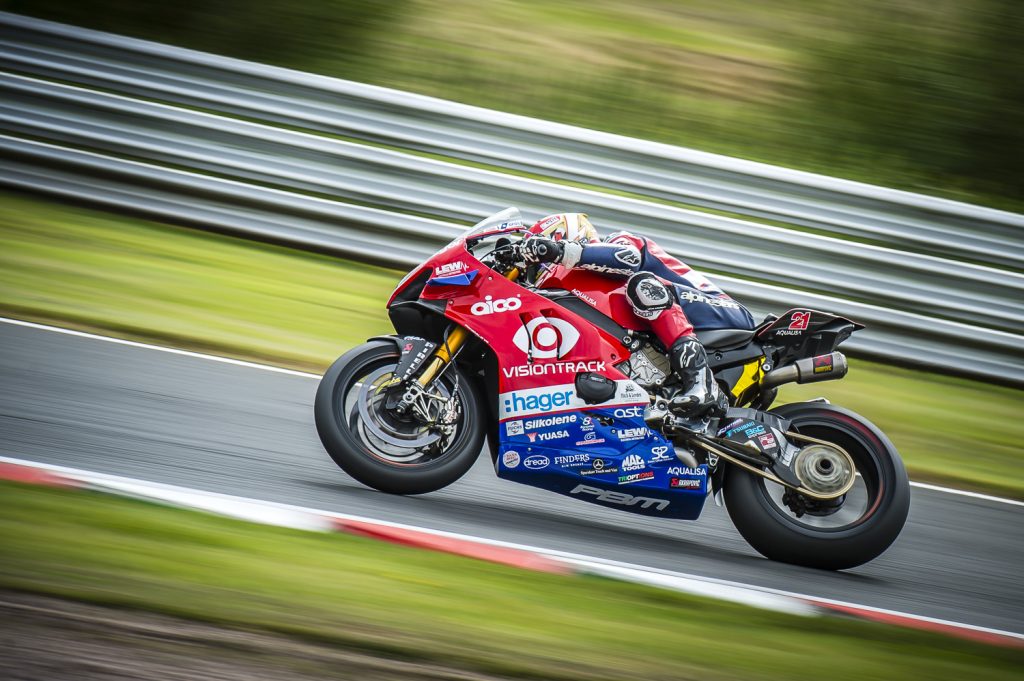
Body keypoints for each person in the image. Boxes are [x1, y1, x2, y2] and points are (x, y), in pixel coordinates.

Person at [520, 213, 755, 418]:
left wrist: (557, 252)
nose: (542, 272)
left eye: (542, 261)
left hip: (723, 312)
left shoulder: (618, 241)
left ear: (569, 236)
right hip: (686, 320)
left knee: (643, 286)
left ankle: (702, 381)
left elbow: (628, 258)